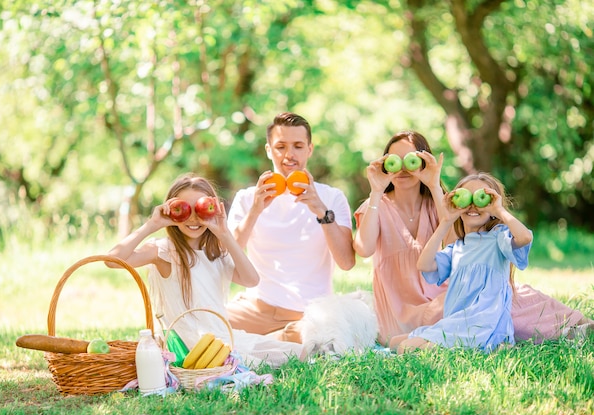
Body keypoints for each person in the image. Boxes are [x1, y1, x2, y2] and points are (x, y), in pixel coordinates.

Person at [353, 131, 594, 347]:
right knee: (500, 304)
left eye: (411, 161)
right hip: (404, 311)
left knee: (513, 294)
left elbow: (458, 242)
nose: (403, 169)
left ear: (425, 162)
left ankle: (579, 325)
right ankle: (570, 330)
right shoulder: (375, 206)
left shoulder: (443, 202)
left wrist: (434, 184)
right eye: (394, 161)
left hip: (454, 297)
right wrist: (375, 190)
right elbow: (363, 249)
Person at [106, 173, 303, 368]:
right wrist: (152, 225)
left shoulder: (215, 252)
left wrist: (224, 233)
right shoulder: (162, 251)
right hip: (189, 345)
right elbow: (112, 261)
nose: (192, 218)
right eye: (184, 209)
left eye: (199, 209)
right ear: (171, 210)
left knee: (294, 352)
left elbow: (252, 280)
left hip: (223, 337)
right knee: (254, 363)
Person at [226, 112, 356, 343]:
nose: (289, 155)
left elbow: (346, 262)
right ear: (268, 150)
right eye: (280, 146)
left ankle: (271, 341)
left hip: (310, 315)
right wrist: (255, 210)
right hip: (257, 309)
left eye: (297, 146)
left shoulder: (331, 198)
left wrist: (321, 212)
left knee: (327, 337)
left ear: (310, 149)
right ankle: (276, 340)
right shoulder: (247, 198)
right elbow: (227, 257)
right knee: (202, 330)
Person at [396, 173, 532, 353]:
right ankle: (485, 347)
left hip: (482, 324)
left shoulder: (498, 238)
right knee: (395, 341)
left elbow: (525, 237)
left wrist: (499, 210)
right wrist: (446, 220)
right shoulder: (458, 247)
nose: (472, 205)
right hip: (457, 322)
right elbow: (424, 265)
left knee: (404, 348)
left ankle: (490, 344)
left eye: (480, 197)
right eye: (466, 198)